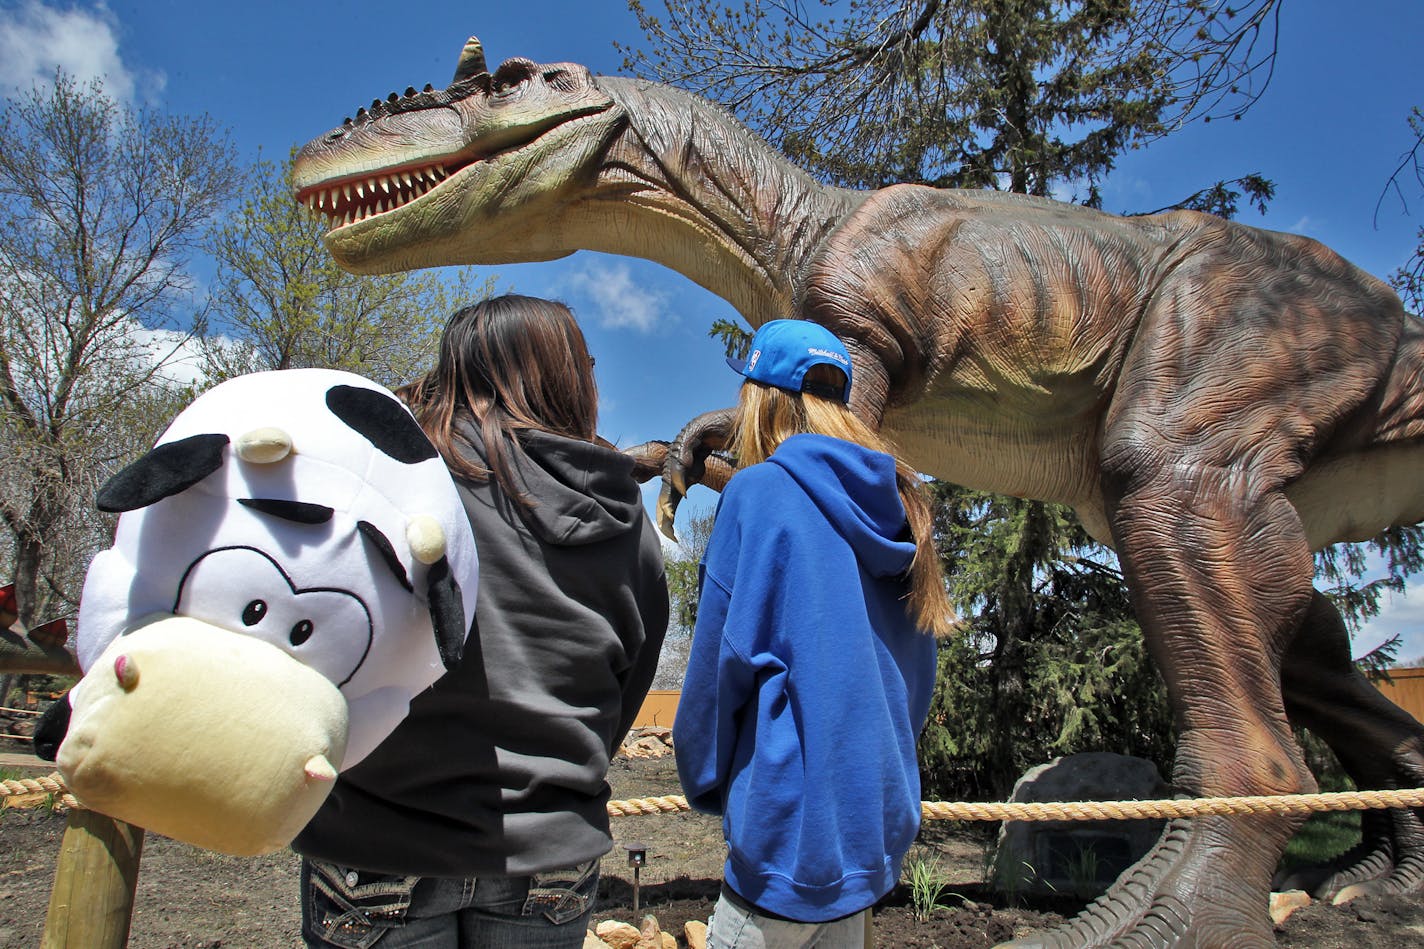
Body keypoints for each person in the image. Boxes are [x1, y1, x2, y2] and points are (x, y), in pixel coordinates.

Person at [293, 294, 669, 948]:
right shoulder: (621, 509)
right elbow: (627, 683)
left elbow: (323, 627)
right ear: (564, 376)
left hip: (378, 834)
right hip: (548, 848)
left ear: (457, 366)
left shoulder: (391, 474)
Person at [674, 319, 955, 949]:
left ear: (761, 398)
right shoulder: (904, 508)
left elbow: (719, 672)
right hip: (869, 838)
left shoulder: (758, 492)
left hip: (784, 839)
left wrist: (710, 782)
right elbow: (916, 679)